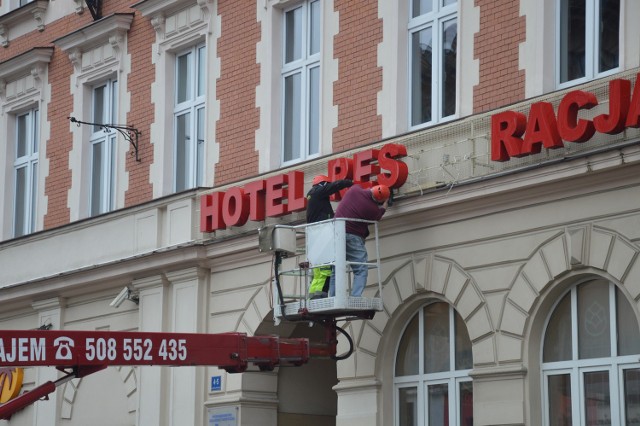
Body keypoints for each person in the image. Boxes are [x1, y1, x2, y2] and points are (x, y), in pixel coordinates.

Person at [330, 184, 390, 297]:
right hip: (353, 237)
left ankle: (333, 297)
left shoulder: (354, 189)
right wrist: (384, 205)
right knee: (361, 269)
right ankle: (355, 297)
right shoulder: (372, 209)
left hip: (336, 235)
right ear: (379, 200)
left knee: (337, 269)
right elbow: (378, 215)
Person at [306, 175, 353, 298]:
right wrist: (348, 182)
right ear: (322, 184)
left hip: (315, 236)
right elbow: (334, 186)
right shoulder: (318, 192)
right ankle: (320, 297)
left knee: (318, 272)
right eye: (326, 184)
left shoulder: (313, 195)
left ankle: (312, 297)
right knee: (325, 270)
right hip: (321, 235)